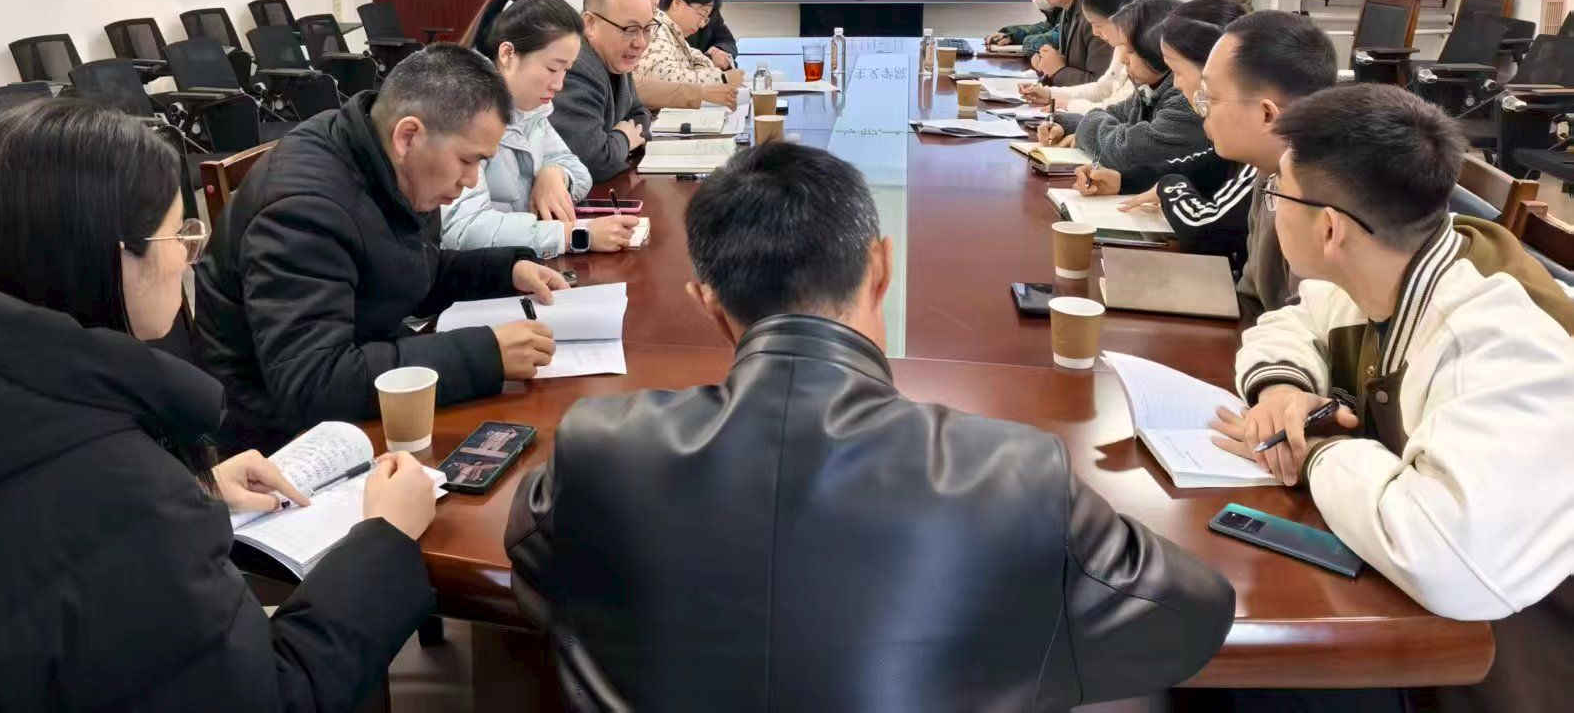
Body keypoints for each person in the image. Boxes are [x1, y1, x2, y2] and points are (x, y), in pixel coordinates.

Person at [507, 141, 1234, 708]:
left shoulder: (599, 447)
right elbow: (1191, 613)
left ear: (707, 302)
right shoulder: (1012, 473)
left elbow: (542, 567)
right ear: (882, 266)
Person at [0, 99, 439, 710]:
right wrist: (384, 539)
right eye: (180, 233)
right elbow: (271, 698)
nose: (189, 255)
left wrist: (192, 493)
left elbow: (8, 540)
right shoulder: (122, 490)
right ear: (116, 256)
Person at [1212, 85, 1574, 712]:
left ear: (1330, 228)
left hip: (1507, 662)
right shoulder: (1394, 259)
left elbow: (1447, 557)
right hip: (1427, 616)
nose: (1271, 207)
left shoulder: (1498, 345)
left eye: (1277, 194)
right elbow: (1293, 322)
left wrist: (1318, 450)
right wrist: (1284, 389)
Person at [195, 45, 567, 452]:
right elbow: (314, 382)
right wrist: (485, 355)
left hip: (359, 377)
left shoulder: (386, 158)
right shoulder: (304, 209)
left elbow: (400, 270)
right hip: (281, 441)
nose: (472, 180)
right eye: (467, 160)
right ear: (408, 136)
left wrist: (504, 271)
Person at [442, 0, 640, 257]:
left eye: (566, 70)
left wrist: (554, 173)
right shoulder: (464, 114)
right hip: (477, 274)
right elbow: (462, 229)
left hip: (518, 261)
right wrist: (572, 236)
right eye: (552, 68)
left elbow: (579, 170)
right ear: (507, 54)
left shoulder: (531, 110)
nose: (559, 84)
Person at [1194, 10, 1338, 317]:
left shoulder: (1321, 202)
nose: (1202, 109)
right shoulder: (1269, 171)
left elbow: (1306, 329)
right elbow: (1252, 294)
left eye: (1211, 97)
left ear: (1267, 115)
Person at [1110, 0, 1255, 267]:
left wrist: (1169, 187)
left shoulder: (1265, 157)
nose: (1175, 84)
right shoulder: (1239, 144)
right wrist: (1122, 180)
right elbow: (1207, 164)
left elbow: (1206, 228)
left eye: (1177, 71)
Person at [1042, 0, 1207, 192]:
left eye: (1130, 51)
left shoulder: (1187, 97)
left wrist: (1085, 129)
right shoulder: (1151, 88)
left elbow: (1127, 151)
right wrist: (1067, 124)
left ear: (1155, 49)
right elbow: (1114, 115)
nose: (1122, 60)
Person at [550, 0, 655, 184]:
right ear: (590, 23)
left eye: (647, 29)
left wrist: (614, 141)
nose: (641, 43)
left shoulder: (616, 57)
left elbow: (641, 114)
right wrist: (624, 138)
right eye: (630, 30)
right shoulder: (575, 66)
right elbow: (594, 162)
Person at [1021, 0, 1152, 114]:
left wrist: (1068, 105)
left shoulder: (1145, 54)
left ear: (1123, 18)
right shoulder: (1122, 46)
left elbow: (1120, 109)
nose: (1095, 32)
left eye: (1098, 25)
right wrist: (1050, 94)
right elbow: (1102, 89)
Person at [639, 0, 743, 103]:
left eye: (705, 19)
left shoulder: (675, 34)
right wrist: (722, 78)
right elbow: (665, 80)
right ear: (677, 3)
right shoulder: (656, 29)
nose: (701, 24)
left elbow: (700, 62)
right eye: (701, 14)